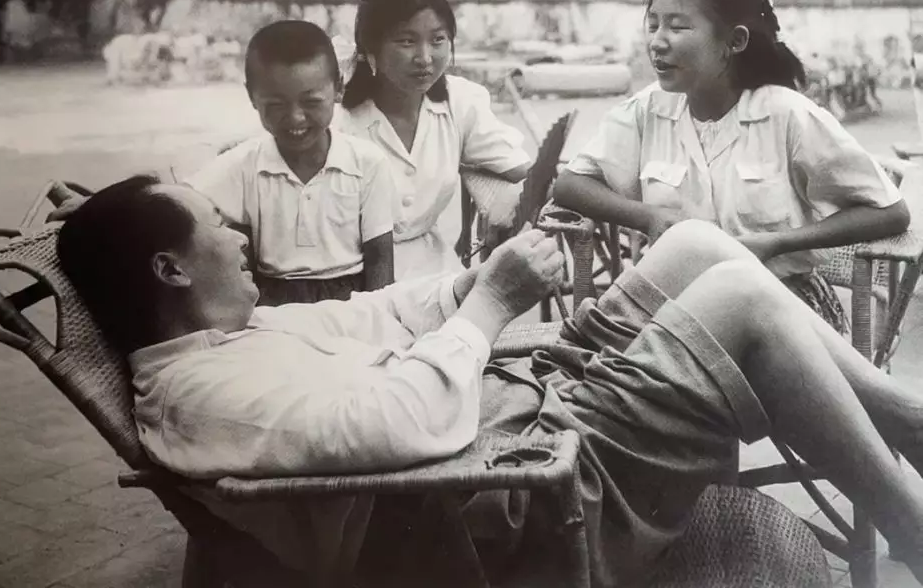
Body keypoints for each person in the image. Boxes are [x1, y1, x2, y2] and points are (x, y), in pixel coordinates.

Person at [57, 174, 923, 587]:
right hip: (520, 509)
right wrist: (495, 305)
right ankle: (911, 523)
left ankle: (910, 421)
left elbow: (375, 315)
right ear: (171, 269)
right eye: (217, 223)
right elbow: (404, 424)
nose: (239, 235)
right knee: (740, 299)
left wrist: (475, 283)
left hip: (527, 417)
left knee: (695, 246)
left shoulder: (236, 336)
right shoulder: (204, 400)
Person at [554, 0, 909, 335]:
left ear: (735, 40)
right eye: (653, 25)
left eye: (677, 27)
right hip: (672, 308)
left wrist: (778, 243)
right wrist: (648, 216)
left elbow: (889, 212)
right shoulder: (647, 110)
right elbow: (570, 184)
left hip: (779, 308)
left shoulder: (786, 115)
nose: (657, 42)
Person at [333, 0, 533, 281]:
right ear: (371, 46)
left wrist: (507, 207)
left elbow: (522, 168)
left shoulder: (460, 102)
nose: (425, 58)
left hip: (435, 273)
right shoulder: (339, 119)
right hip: (351, 275)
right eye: (406, 41)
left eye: (438, 39)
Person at [184, 20, 396, 305]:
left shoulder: (368, 163)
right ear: (252, 97)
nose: (295, 118)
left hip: (351, 301)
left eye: (311, 102)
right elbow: (178, 201)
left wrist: (378, 316)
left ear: (338, 89)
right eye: (276, 105)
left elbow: (380, 260)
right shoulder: (244, 164)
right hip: (270, 304)